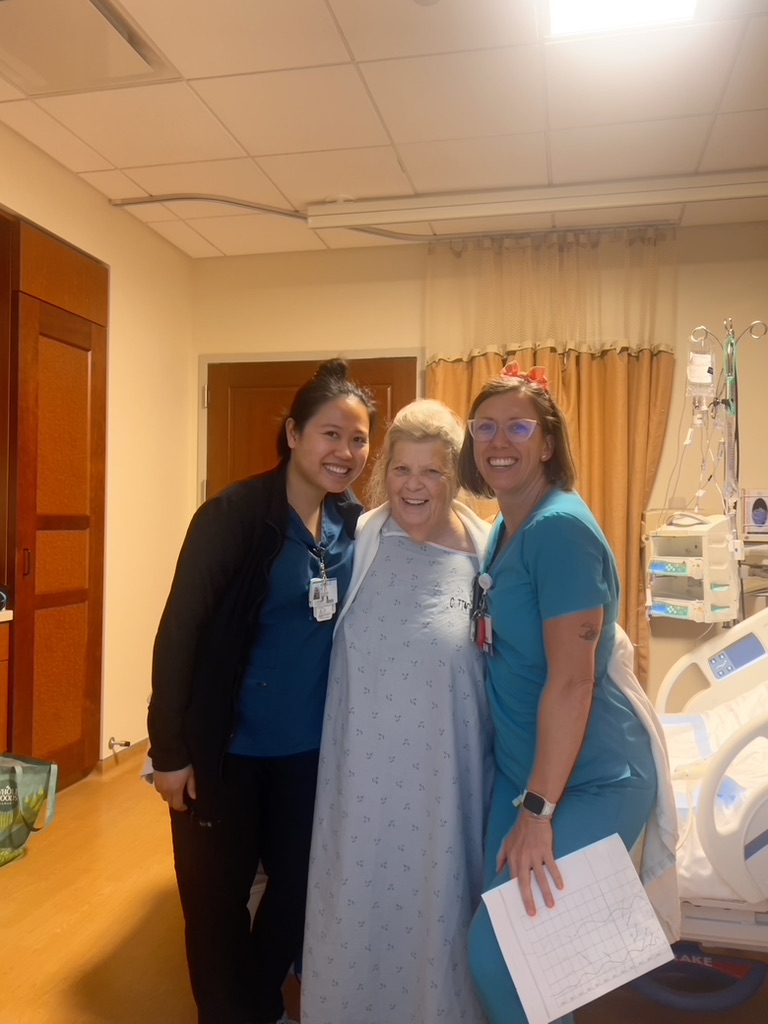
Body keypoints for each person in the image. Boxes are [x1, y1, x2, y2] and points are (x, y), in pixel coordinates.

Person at [147, 359, 376, 1024]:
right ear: (294, 433)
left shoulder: (356, 527)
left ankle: (253, 1001)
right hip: (225, 754)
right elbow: (178, 633)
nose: (346, 452)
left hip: (310, 756)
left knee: (302, 890)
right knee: (215, 907)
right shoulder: (234, 516)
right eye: (332, 434)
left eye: (359, 440)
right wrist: (169, 753)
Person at [458, 363, 659, 1024]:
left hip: (590, 779)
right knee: (531, 961)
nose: (498, 440)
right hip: (527, 773)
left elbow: (572, 684)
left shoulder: (560, 531)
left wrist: (539, 812)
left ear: (547, 442)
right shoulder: (504, 525)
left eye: (518, 426)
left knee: (500, 958)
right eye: (484, 426)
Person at [301, 399, 494, 1024]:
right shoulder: (358, 540)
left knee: (436, 908)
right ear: (385, 473)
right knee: (357, 905)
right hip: (359, 784)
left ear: (455, 477)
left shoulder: (487, 556)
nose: (415, 486)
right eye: (402, 470)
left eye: (433, 472)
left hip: (447, 784)